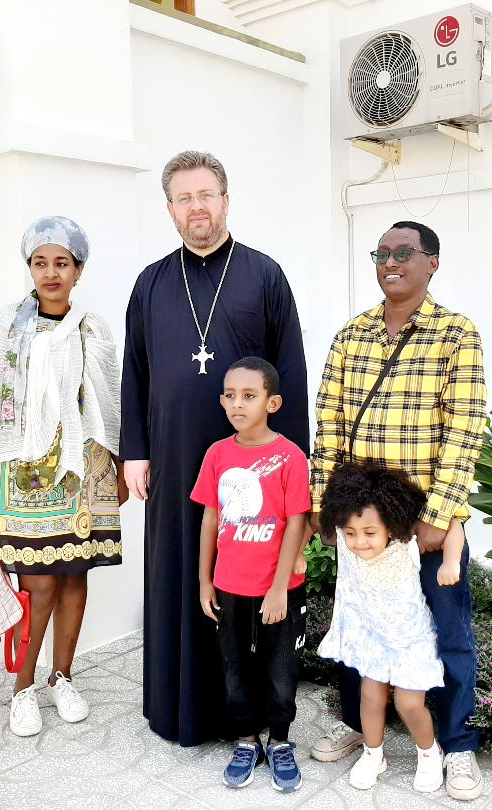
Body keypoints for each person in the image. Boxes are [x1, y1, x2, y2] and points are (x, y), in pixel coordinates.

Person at [120, 150, 310, 746]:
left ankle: (250, 719)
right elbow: (134, 372)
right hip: (175, 459)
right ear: (170, 209)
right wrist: (135, 451)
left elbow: (290, 372)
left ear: (225, 201)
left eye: (206, 195)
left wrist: (294, 471)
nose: (196, 207)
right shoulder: (150, 283)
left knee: (249, 583)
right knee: (181, 573)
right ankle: (180, 709)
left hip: (256, 464)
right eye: (184, 198)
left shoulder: (264, 275)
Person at [308, 221, 488, 801]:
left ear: (431, 262)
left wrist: (438, 515)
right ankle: (361, 728)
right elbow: (329, 426)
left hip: (424, 527)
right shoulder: (350, 335)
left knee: (447, 634)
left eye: (404, 252)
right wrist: (324, 508)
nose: (391, 261)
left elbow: (465, 429)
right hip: (361, 528)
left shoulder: (456, 335)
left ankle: (457, 747)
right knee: (357, 625)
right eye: (382, 253)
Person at [0, 215, 126, 737]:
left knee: (75, 577)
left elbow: (110, 399)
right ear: (30, 268)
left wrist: (119, 466)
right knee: (37, 586)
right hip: (23, 474)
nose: (51, 273)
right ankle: (23, 687)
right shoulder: (5, 327)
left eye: (62, 263)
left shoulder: (92, 327)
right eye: (41, 263)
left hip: (84, 470)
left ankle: (63, 677)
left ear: (79, 270)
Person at [190, 357, 310, 792]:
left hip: (281, 589)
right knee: (235, 668)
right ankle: (246, 740)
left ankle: (279, 741)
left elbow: (296, 523)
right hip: (229, 586)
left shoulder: (290, 456)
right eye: (229, 395)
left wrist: (279, 588)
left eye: (249, 395)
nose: (236, 404)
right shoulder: (217, 454)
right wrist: (205, 581)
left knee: (280, 672)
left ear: (271, 403)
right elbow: (210, 519)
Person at [318, 463, 445, 793]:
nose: (359, 542)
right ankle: (374, 754)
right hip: (373, 636)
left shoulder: (406, 542)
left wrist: (451, 560)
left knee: (408, 703)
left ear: (390, 524)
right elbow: (310, 522)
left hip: (410, 639)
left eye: (369, 533)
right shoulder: (347, 541)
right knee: (370, 696)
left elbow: (455, 525)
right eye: (350, 533)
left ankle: (429, 752)